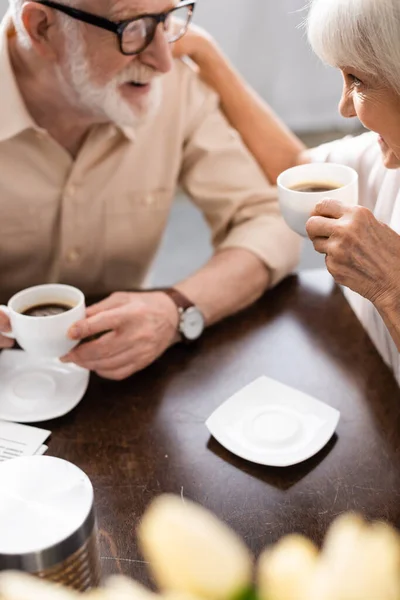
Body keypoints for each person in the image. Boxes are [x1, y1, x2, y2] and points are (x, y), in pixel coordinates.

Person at [0, 0, 301, 380]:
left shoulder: (173, 89)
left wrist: (175, 309)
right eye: (133, 28)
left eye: (167, 20)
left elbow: (268, 220)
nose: (163, 61)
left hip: (128, 378)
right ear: (40, 27)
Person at [172, 0, 400, 384]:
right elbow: (294, 167)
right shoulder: (380, 157)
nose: (344, 107)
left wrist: (390, 286)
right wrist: (206, 55)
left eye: (357, 80)